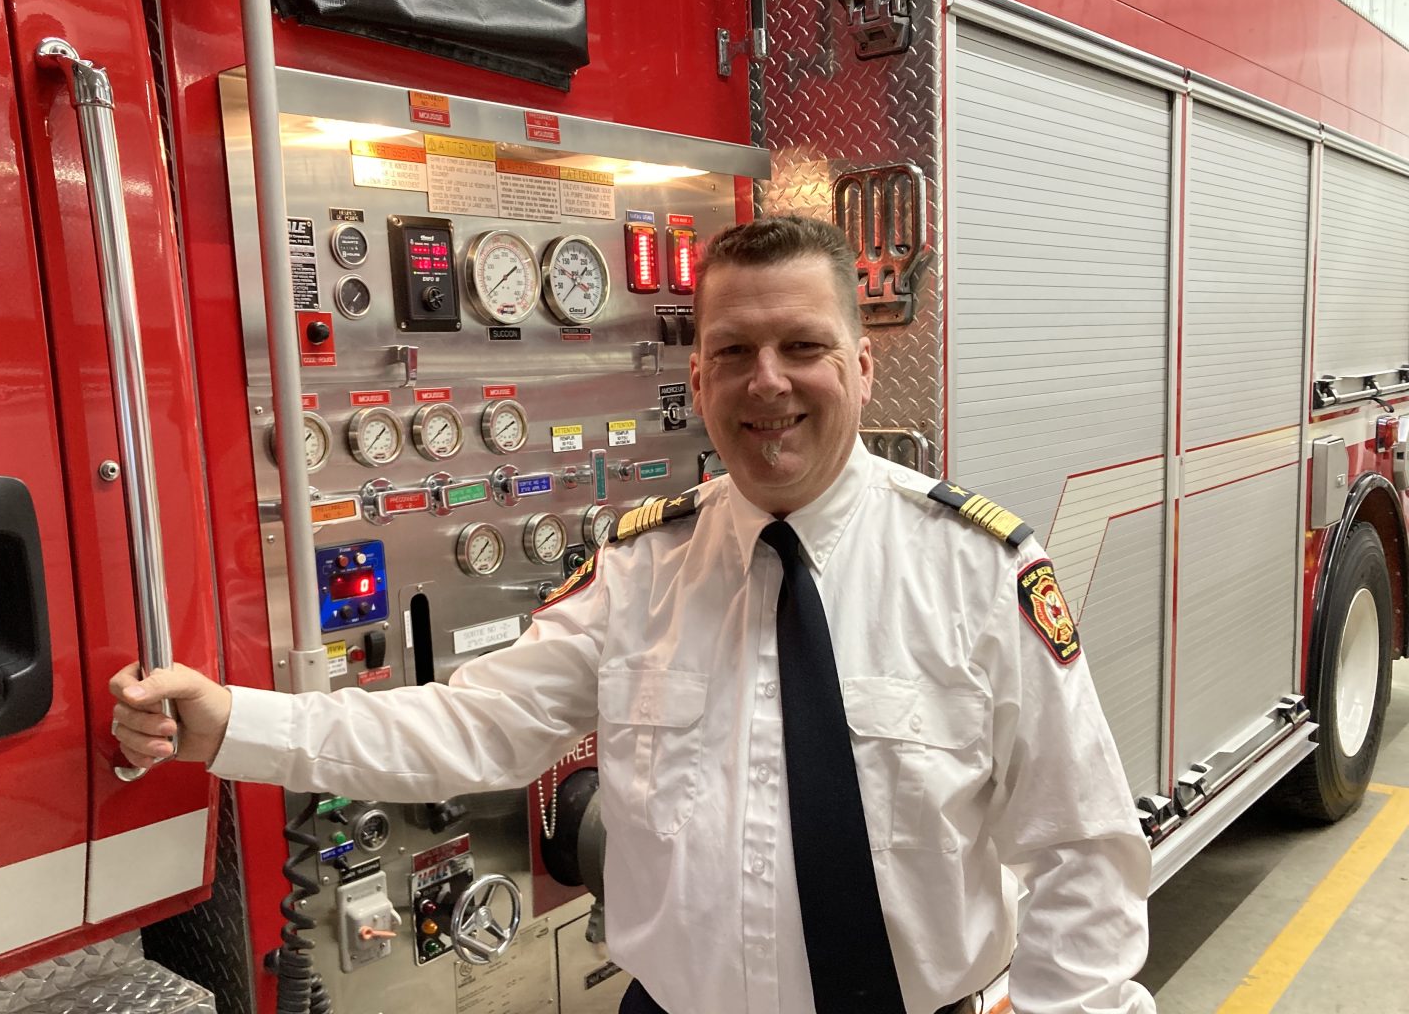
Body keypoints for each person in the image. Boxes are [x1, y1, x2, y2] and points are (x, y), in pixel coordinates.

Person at [112, 216, 1156, 1014]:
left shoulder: (979, 572)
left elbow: (1083, 849)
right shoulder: (639, 569)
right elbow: (469, 728)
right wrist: (232, 723)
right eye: (734, 352)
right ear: (697, 378)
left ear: (861, 365)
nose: (769, 383)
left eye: (803, 345)